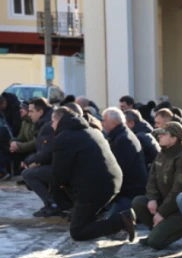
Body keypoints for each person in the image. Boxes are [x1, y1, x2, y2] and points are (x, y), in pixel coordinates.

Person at [50, 107, 135, 242]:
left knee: (78, 232)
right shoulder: (90, 130)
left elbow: (59, 173)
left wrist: (57, 192)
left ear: (59, 120)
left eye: (52, 121)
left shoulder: (64, 137)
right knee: (81, 213)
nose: (51, 125)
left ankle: (122, 220)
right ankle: (90, 217)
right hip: (111, 181)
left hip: (96, 187)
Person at [132, 122, 182, 250]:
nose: (159, 136)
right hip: (163, 203)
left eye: (164, 134)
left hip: (178, 211)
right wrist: (152, 198)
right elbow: (151, 179)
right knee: (139, 202)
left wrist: (161, 213)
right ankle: (156, 229)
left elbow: (178, 191)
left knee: (155, 243)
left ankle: (177, 231)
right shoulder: (162, 153)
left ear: (174, 138)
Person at [102, 107, 147, 216]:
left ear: (113, 123)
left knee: (111, 223)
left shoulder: (124, 139)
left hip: (129, 193)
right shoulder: (121, 135)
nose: (102, 123)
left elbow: (118, 169)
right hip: (126, 190)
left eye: (104, 120)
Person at [22, 98, 58, 217]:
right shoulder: (45, 123)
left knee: (28, 174)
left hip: (61, 167)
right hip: (60, 164)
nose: (29, 114)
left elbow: (47, 152)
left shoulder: (48, 125)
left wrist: (29, 161)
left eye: (31, 111)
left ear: (40, 112)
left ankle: (52, 204)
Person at [9, 101, 36, 167]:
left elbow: (35, 142)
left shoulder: (36, 122)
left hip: (34, 150)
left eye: (22, 108)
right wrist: (13, 142)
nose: (20, 110)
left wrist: (19, 146)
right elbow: (21, 138)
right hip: (26, 148)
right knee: (9, 150)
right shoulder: (24, 122)